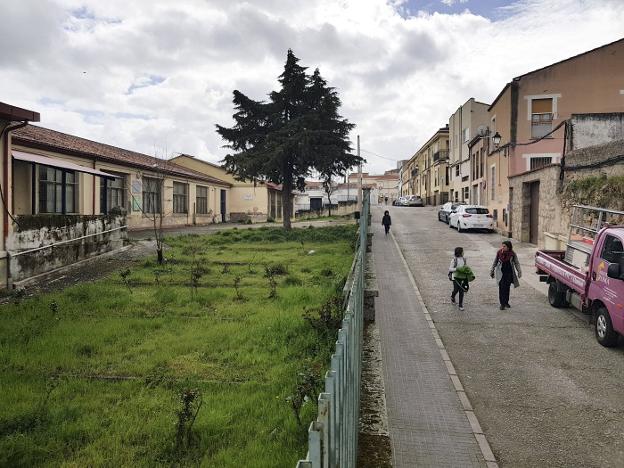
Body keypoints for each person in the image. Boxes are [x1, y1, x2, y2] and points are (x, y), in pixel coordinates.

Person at [490, 240, 522, 310]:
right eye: (502, 246)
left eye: (504, 246)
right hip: (500, 273)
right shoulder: (499, 252)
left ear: (508, 247)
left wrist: (519, 271)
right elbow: (495, 262)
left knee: (507, 288)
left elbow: (516, 263)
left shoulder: (512, 253)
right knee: (501, 288)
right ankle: (502, 304)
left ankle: (506, 302)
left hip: (509, 273)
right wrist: (492, 270)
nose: (503, 247)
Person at [448, 247, 467, 311]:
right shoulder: (454, 260)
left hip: (462, 277)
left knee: (461, 290)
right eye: (462, 251)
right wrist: (457, 269)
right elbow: (450, 269)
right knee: (456, 289)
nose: (463, 252)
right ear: (459, 252)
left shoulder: (464, 259)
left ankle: (460, 305)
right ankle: (452, 297)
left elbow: (465, 267)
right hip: (455, 277)